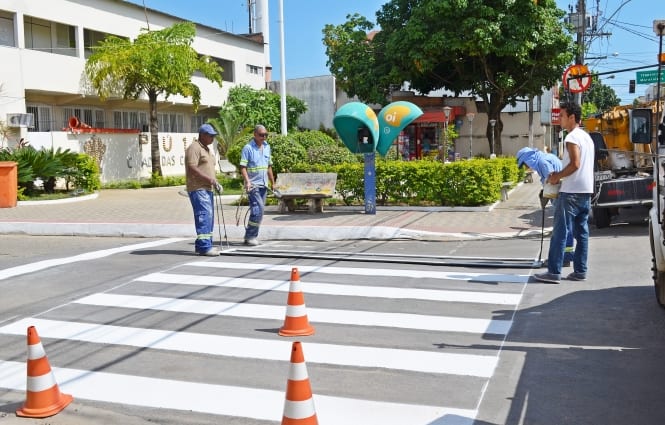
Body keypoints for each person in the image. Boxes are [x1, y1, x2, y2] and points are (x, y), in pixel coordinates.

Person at [534, 102, 594, 284]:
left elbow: (575, 164)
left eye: (562, 115)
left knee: (560, 231)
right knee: (581, 232)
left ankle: (553, 271)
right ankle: (580, 271)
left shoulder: (572, 138)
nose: (559, 119)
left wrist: (556, 177)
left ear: (572, 118)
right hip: (585, 190)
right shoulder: (587, 138)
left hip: (571, 191)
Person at [516, 147, 574, 268]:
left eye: (524, 164)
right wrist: (545, 192)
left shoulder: (542, 162)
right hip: (564, 194)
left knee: (561, 229)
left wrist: (546, 195)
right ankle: (566, 256)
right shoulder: (546, 158)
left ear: (529, 158)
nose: (526, 167)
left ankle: (560, 259)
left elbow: (553, 180)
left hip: (560, 197)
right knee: (566, 227)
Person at [185, 123, 222, 256]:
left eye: (213, 136)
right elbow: (192, 168)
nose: (212, 138)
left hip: (208, 188)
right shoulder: (194, 148)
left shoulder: (206, 149)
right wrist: (210, 180)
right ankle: (204, 247)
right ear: (202, 135)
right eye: (210, 136)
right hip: (198, 187)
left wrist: (215, 182)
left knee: (209, 217)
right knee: (204, 216)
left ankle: (203, 244)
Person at [240, 125, 275, 246]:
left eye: (266, 135)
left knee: (259, 211)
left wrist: (272, 182)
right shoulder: (248, 148)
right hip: (253, 185)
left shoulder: (267, 147)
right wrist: (248, 181)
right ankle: (251, 236)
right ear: (254, 134)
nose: (264, 137)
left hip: (264, 185)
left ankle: (249, 235)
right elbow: (243, 167)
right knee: (257, 210)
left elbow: (269, 166)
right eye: (261, 135)